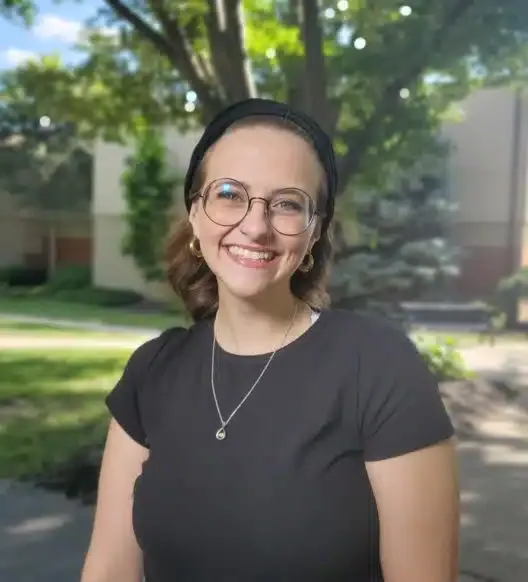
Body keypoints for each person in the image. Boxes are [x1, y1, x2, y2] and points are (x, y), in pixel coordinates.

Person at [80, 99, 459, 582]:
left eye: (287, 203)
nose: (256, 227)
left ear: (314, 232)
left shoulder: (378, 368)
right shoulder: (152, 371)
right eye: (229, 193)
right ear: (195, 214)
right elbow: (110, 569)